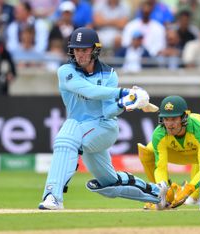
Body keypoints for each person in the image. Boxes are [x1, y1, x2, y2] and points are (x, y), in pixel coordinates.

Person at [38, 27, 168, 210]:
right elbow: (87, 89)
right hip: (81, 128)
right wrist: (125, 93)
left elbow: (108, 111)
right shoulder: (66, 71)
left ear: (95, 50)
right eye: (76, 49)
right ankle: (157, 193)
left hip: (103, 127)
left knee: (65, 138)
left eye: (84, 50)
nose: (80, 54)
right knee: (109, 183)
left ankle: (53, 196)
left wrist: (124, 104)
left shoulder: (109, 74)